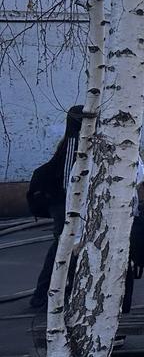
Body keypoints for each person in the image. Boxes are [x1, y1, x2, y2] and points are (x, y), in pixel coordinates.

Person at [27, 107, 84, 310]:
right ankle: (46, 296)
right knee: (64, 247)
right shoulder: (74, 141)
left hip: (66, 201)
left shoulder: (74, 140)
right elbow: (70, 181)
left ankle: (55, 293)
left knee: (65, 247)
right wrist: (74, 207)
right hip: (64, 203)